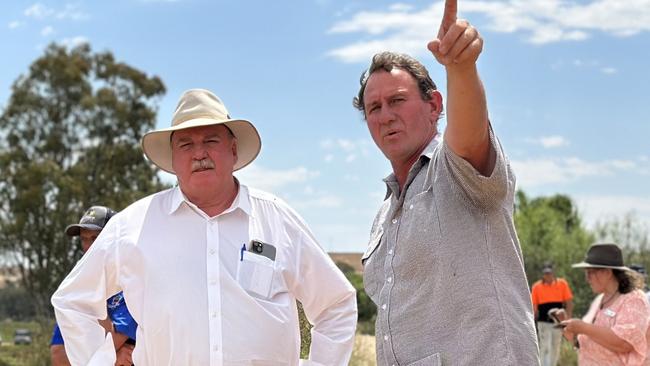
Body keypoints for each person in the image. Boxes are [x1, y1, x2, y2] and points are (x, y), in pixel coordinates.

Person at [52, 89, 357, 365]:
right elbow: (72, 302)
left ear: (233, 150)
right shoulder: (131, 226)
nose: (199, 153)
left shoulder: (277, 219)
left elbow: (336, 305)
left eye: (211, 140)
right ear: (173, 158)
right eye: (186, 144)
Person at [354, 0, 538, 364]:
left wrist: (462, 69)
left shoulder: (454, 169)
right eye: (374, 108)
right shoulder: (386, 211)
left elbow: (468, 137)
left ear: (435, 105)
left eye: (397, 100)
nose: (385, 115)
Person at [51, 206, 137, 366]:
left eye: (95, 238)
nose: (88, 247)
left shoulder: (133, 277)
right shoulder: (78, 285)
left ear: (114, 237)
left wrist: (105, 353)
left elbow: (120, 335)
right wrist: (111, 357)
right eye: (84, 239)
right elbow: (59, 352)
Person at [562, 243, 650, 365]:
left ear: (607, 272)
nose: (587, 278)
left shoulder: (634, 300)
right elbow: (592, 340)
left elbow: (624, 343)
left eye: (590, 272)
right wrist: (573, 334)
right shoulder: (600, 299)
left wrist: (583, 328)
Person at [531, 263, 573, 366]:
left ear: (553, 273)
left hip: (558, 323)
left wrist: (567, 319)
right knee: (545, 347)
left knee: (555, 347)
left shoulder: (562, 284)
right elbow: (534, 307)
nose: (548, 275)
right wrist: (532, 322)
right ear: (543, 274)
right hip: (543, 322)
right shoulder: (536, 287)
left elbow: (568, 302)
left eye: (549, 273)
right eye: (546, 273)